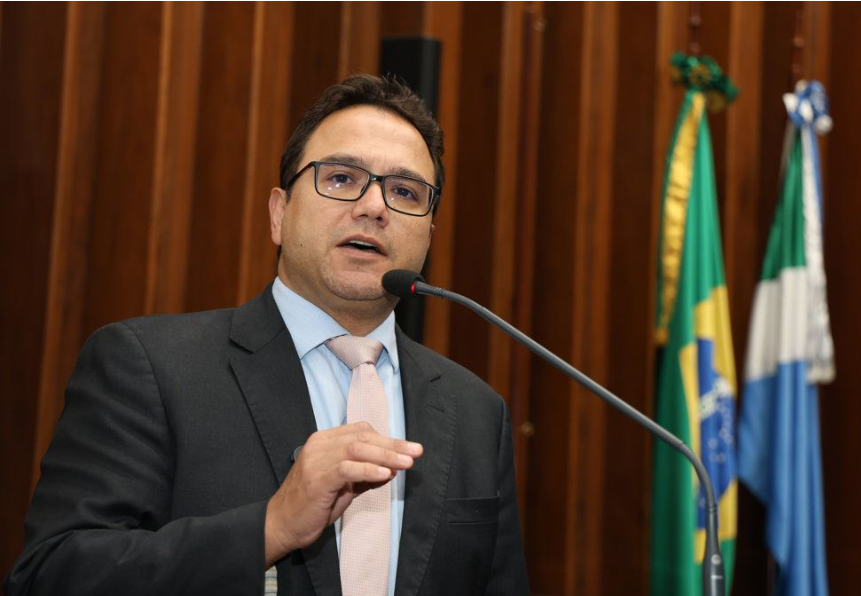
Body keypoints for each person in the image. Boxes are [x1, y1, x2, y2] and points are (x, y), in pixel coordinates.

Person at [4, 75, 529, 596]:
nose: (374, 207)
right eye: (341, 178)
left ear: (428, 238)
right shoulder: (149, 367)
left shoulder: (476, 413)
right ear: (280, 213)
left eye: (404, 192)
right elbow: (50, 575)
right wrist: (271, 528)